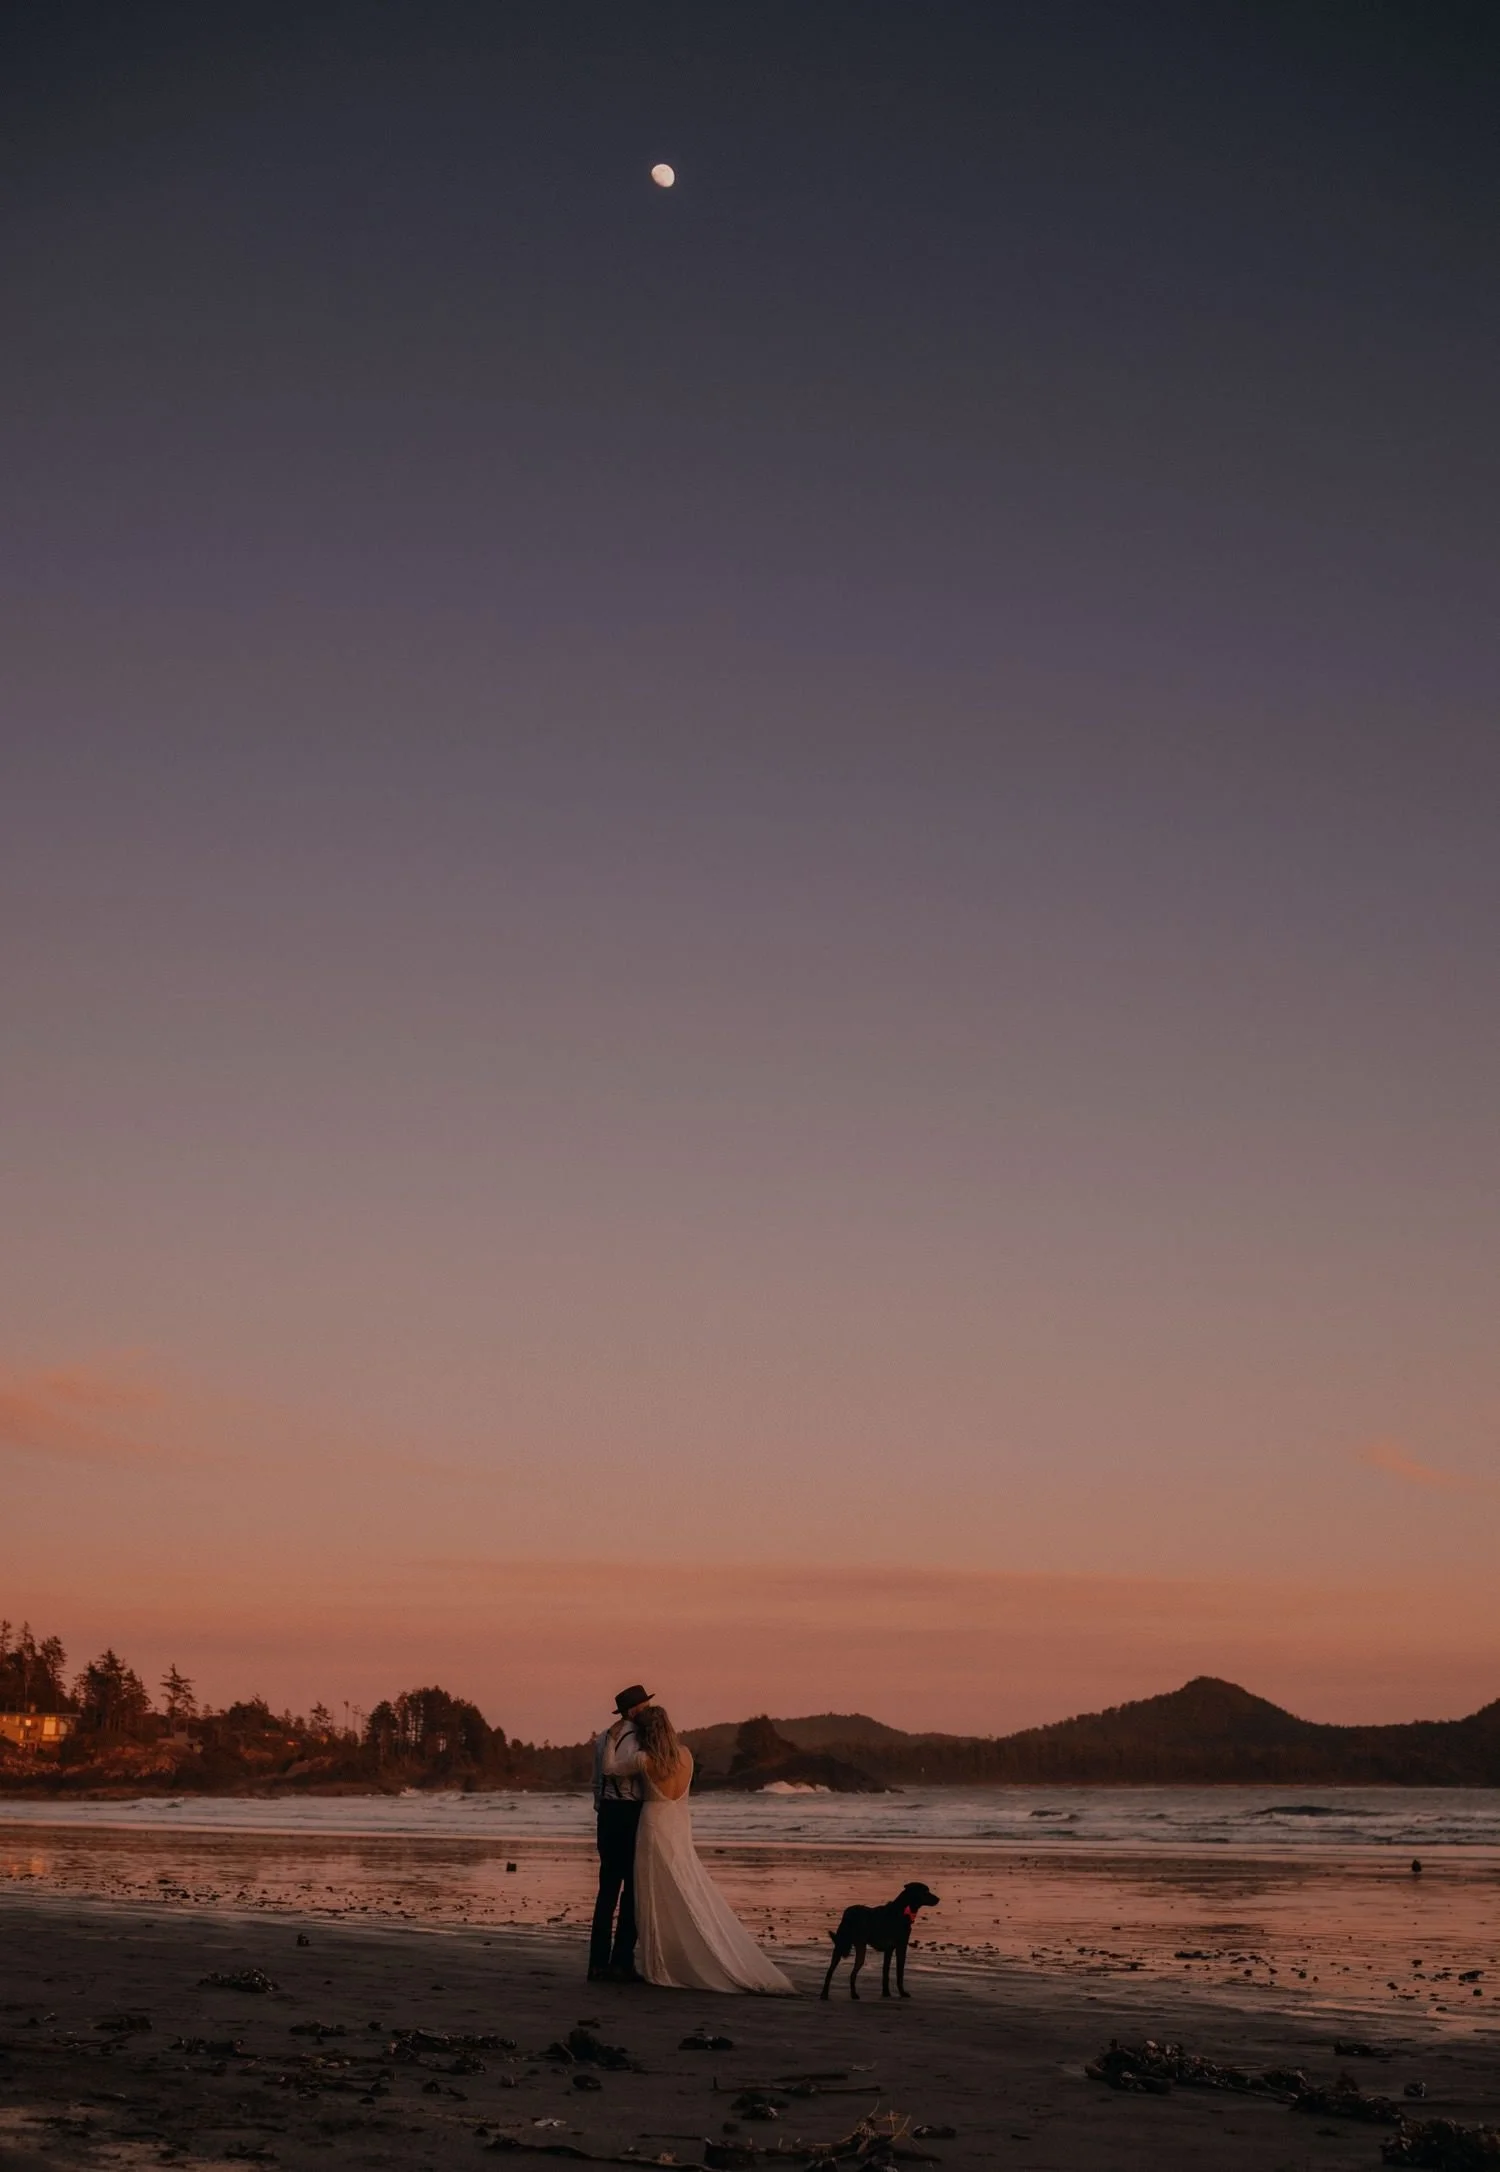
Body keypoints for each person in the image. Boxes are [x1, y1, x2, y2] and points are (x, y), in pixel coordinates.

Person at [631, 1701, 794, 1994]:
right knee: (687, 1884)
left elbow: (609, 1767)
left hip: (653, 1824)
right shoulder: (685, 1755)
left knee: (655, 1892)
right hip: (679, 1824)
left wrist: (617, 1731)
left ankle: (662, 1963)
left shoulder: (643, 1760)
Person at [589, 1684, 651, 1982]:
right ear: (634, 1709)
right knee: (633, 1890)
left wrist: (602, 1807)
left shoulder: (603, 1737)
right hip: (630, 1812)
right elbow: (642, 1777)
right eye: (644, 1706)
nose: (648, 1711)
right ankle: (622, 1961)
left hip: (608, 1815)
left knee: (607, 1890)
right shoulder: (639, 1737)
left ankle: (597, 1963)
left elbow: (596, 1782)